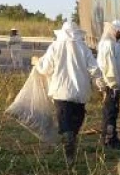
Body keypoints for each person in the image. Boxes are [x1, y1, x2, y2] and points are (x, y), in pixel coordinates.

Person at [36, 21, 104, 164]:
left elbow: (45, 69)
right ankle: (71, 137)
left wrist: (37, 64)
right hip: (80, 91)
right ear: (77, 34)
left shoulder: (55, 47)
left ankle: (69, 142)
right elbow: (94, 68)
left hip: (61, 91)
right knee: (77, 118)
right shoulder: (83, 47)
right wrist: (100, 82)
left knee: (64, 120)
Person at [97, 19, 120, 149]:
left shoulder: (113, 44)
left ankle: (112, 137)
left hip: (114, 85)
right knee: (110, 112)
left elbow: (119, 65)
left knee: (113, 111)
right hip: (112, 85)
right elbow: (109, 67)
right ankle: (109, 140)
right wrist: (114, 84)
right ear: (114, 31)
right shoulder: (108, 45)